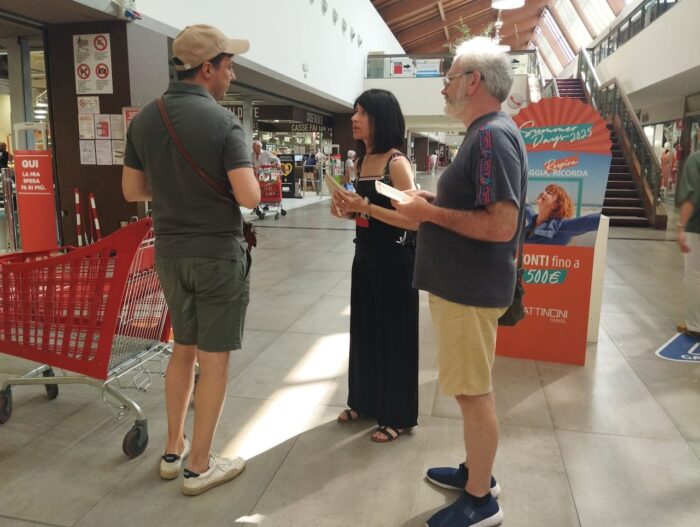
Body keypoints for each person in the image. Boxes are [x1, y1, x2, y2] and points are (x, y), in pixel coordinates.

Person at [393, 37, 527, 527]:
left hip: (470, 290)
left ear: (473, 82)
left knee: (473, 393)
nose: (443, 88)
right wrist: (433, 203)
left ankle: (480, 500)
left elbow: (501, 224)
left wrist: (428, 213)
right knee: (470, 388)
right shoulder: (486, 135)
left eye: (449, 78)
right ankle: (476, 471)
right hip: (465, 287)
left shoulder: (490, 137)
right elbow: (479, 207)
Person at [122, 24, 260, 496]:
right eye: (228, 66)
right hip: (217, 255)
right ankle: (200, 466)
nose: (232, 74)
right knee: (214, 360)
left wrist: (174, 189)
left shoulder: (146, 119)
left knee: (183, 349)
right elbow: (249, 196)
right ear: (206, 69)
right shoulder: (224, 124)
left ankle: (172, 449)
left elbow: (132, 190)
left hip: (169, 254)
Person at [330, 88, 419, 443]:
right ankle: (364, 402)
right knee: (364, 332)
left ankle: (398, 415)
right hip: (365, 257)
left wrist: (365, 207)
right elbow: (360, 213)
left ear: (381, 118)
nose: (354, 118)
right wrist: (345, 209)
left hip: (396, 262)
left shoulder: (396, 164)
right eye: (354, 111)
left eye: (363, 112)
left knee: (395, 338)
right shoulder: (361, 162)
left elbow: (413, 220)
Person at [525, 184, 600, 245]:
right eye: (544, 191)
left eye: (549, 193)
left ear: (556, 204)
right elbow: (526, 205)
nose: (543, 192)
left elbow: (592, 220)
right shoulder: (533, 219)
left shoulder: (561, 226)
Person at [676, 149, 700, 339]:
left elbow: (692, 197)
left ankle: (695, 325)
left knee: (694, 275)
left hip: (696, 226)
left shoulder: (696, 159)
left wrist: (681, 226)